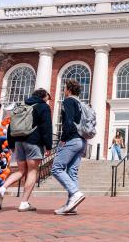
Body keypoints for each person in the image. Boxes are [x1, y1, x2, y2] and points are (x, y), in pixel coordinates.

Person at [0, 89, 53, 211]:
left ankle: (2, 189)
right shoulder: (43, 106)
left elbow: (11, 125)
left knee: (21, 170)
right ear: (43, 96)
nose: (48, 99)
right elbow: (46, 126)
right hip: (34, 141)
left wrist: (11, 144)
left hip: (18, 141)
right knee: (32, 171)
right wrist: (48, 145)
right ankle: (24, 202)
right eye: (48, 97)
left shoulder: (21, 106)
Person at [51, 79, 86, 215]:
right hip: (82, 141)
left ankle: (76, 193)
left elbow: (68, 121)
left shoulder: (68, 101)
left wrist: (63, 138)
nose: (64, 90)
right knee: (72, 172)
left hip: (72, 139)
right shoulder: (81, 104)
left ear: (69, 89)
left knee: (56, 168)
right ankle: (72, 205)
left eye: (65, 88)